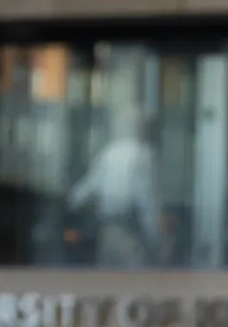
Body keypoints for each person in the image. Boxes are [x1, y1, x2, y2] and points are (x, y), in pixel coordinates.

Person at [67, 106, 162, 266]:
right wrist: (155, 238)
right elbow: (146, 199)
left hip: (108, 232)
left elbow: (86, 188)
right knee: (132, 284)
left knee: (107, 282)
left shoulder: (110, 152)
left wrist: (70, 204)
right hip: (130, 234)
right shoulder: (143, 155)